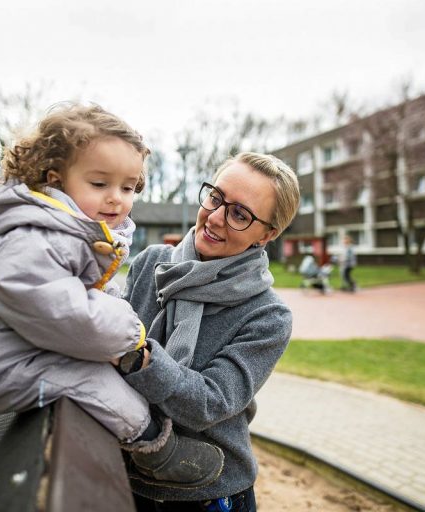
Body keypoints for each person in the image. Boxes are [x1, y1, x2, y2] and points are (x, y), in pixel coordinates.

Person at [0, 102, 223, 489]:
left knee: (103, 374)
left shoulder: (67, 231)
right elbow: (65, 312)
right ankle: (155, 447)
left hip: (26, 353)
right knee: (99, 382)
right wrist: (129, 334)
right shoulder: (31, 237)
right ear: (56, 180)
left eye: (128, 187)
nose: (117, 199)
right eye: (99, 184)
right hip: (0, 365)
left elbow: (85, 294)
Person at [118, 152, 300, 511]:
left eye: (239, 214)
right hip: (123, 476)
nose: (215, 218)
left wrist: (135, 356)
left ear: (268, 233)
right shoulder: (149, 264)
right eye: (216, 198)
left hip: (207, 493)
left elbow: (209, 402)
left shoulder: (268, 316)